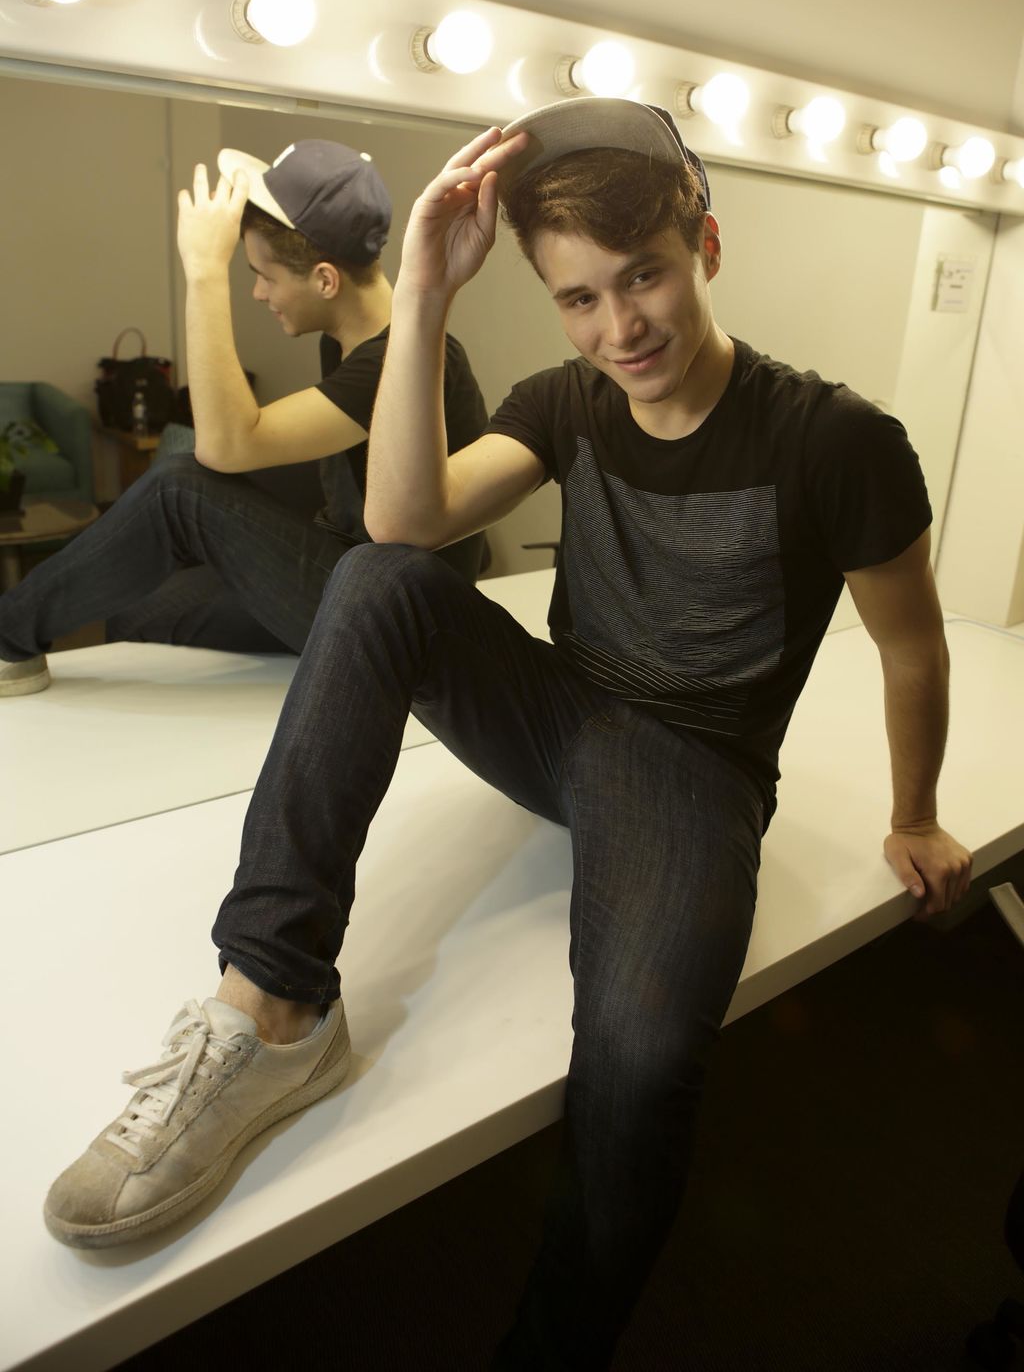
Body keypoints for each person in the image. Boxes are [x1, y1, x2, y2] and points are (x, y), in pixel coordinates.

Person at [43, 101, 972, 1369]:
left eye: (642, 277)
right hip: (557, 713)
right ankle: (269, 1005)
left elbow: (913, 645)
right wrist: (425, 290)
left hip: (692, 770)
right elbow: (402, 520)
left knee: (640, 1069)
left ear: (705, 245)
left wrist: (914, 814)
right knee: (380, 578)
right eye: (578, 298)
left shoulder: (836, 440)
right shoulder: (567, 403)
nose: (618, 327)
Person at [0, 139, 487, 695]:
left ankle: (5, 638)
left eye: (265, 276)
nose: (257, 292)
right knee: (138, 614)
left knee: (180, 487)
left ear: (325, 280)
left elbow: (225, 445)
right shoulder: (350, 342)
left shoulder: (403, 358)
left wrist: (205, 271)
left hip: (405, 620)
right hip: (355, 574)